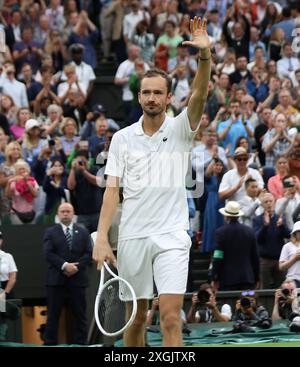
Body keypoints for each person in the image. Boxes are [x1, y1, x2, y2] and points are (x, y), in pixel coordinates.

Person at [92, 16, 211, 347]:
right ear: (139, 96)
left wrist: (204, 57)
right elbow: (112, 192)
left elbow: (200, 94)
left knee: (171, 317)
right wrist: (102, 238)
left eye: (158, 93)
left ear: (169, 97)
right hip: (132, 236)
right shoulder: (121, 139)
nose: (152, 98)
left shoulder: (180, 129)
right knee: (136, 318)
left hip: (172, 235)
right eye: (146, 92)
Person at [43, 203, 92, 345]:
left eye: (68, 211)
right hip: (56, 282)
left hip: (77, 281)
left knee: (80, 315)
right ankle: (50, 343)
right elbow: (48, 253)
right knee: (52, 315)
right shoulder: (50, 232)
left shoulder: (83, 232)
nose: (65, 214)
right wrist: (65, 266)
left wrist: (76, 267)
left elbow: (89, 253)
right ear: (58, 214)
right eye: (62, 211)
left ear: (73, 214)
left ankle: (81, 343)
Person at [211, 201, 260, 291]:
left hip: (227, 280)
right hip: (247, 279)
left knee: (229, 304)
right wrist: (257, 277)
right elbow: (255, 257)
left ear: (226, 216)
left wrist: (214, 276)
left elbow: (218, 256)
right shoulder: (250, 232)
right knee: (246, 302)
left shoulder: (221, 233)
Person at [279, 222, 300, 288]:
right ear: (295, 233)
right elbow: (281, 267)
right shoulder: (287, 246)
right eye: (299, 231)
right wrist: (294, 258)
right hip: (292, 280)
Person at [0, 231, 18, 299]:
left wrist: (4, 293)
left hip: (6, 288)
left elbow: (12, 277)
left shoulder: (8, 256)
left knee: (4, 308)